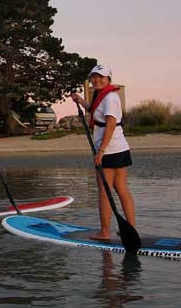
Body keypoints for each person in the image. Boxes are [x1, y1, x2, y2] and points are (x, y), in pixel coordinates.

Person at [71, 65, 135, 240]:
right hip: (119, 148)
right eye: (94, 77)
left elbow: (111, 124)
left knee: (104, 191)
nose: (97, 80)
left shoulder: (111, 98)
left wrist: (101, 151)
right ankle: (130, 229)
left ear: (108, 80)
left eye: (101, 77)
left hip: (110, 149)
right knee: (121, 188)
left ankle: (105, 232)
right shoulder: (101, 95)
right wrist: (79, 100)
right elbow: (93, 111)